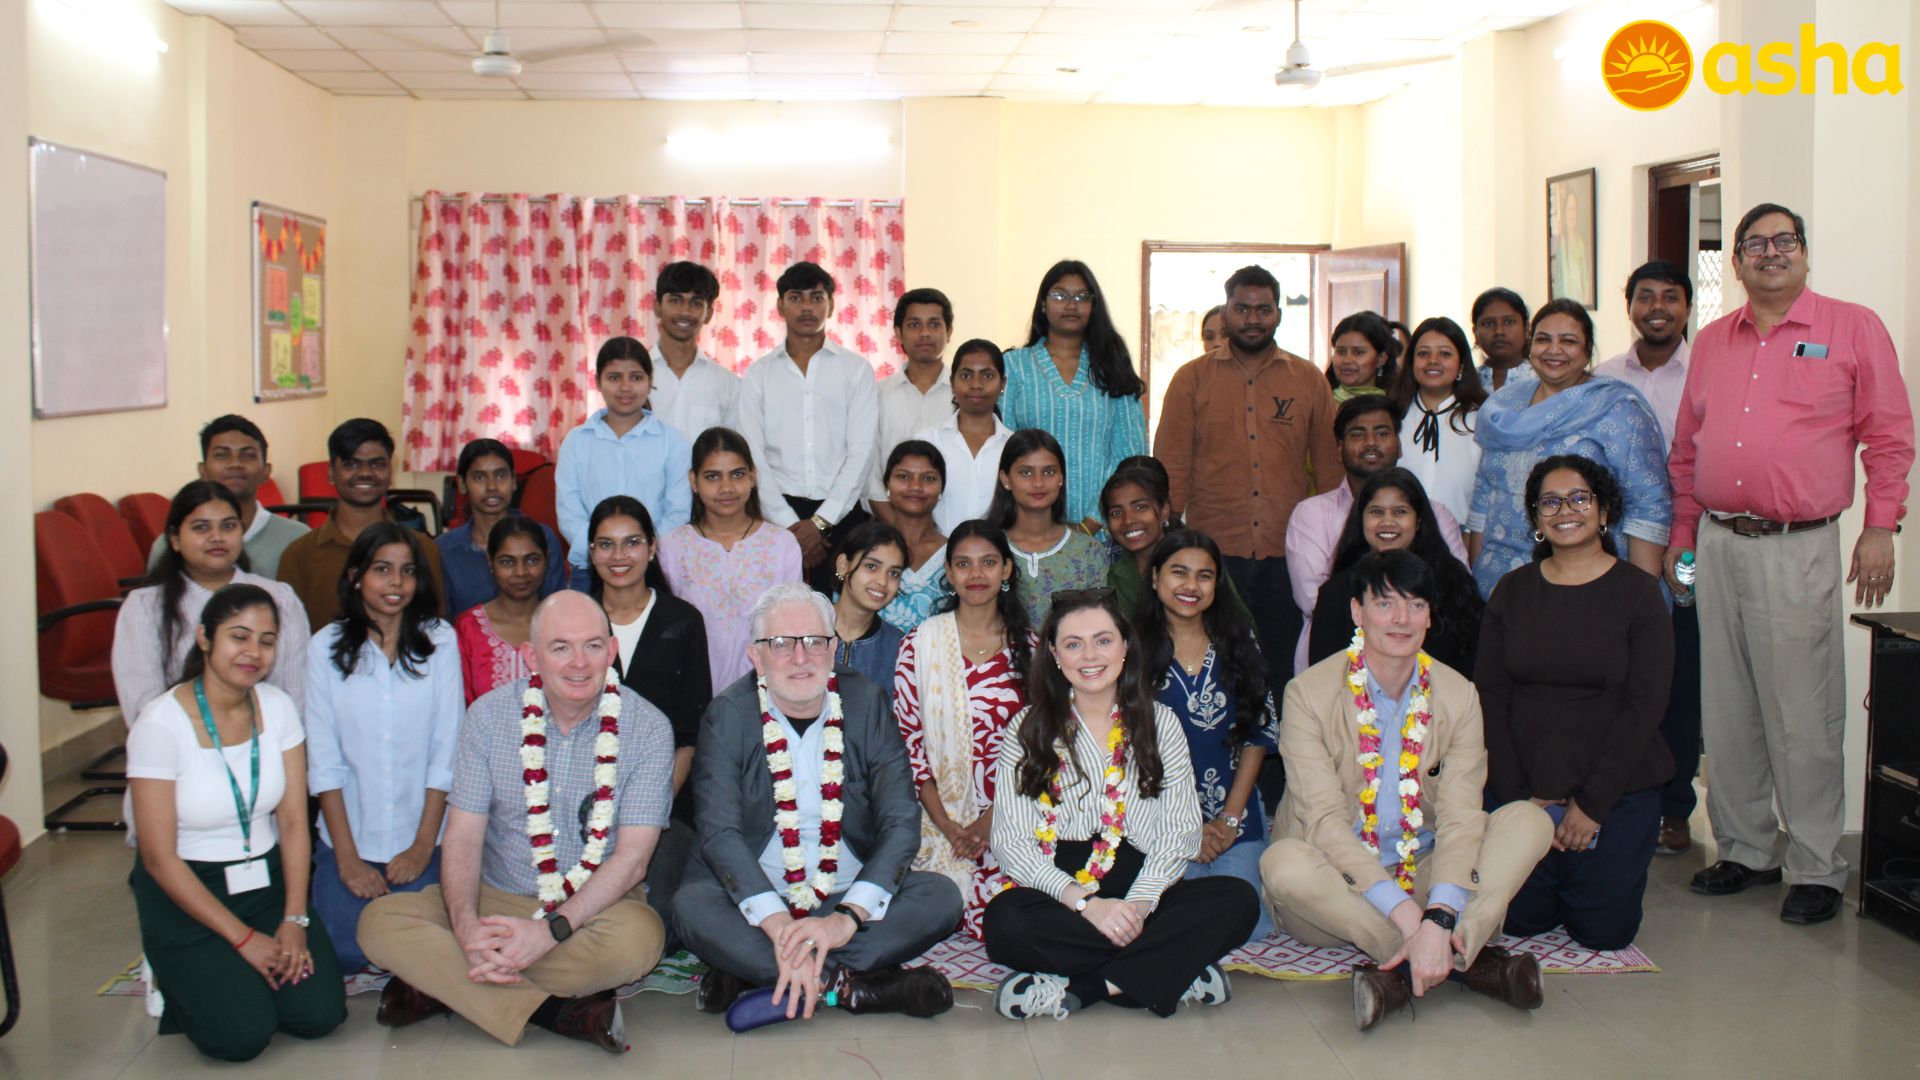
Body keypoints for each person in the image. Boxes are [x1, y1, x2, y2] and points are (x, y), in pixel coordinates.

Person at [1666, 203, 1914, 926]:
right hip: (1717, 541)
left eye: (1785, 241)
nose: (1771, 252)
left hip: (1797, 545)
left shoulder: (1852, 327)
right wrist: (1684, 535)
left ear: (1804, 252)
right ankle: (1746, 850)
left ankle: (1814, 864)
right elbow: (1687, 448)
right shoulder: (1714, 340)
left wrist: (1880, 526)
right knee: (1728, 706)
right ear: (1736, 260)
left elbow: (1890, 436)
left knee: (1804, 712)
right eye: (1755, 243)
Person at [358, 591, 676, 1051]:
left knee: (639, 943)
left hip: (594, 906)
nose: (579, 663)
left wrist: (550, 931)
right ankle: (555, 1012)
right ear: (531, 657)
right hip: (495, 895)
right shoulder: (488, 717)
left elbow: (632, 862)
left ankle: (445, 984)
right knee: (379, 922)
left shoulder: (647, 728)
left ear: (611, 651)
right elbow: (463, 837)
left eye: (592, 646)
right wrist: (466, 926)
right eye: (560, 647)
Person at [1259, 551, 1554, 1031]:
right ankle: (1461, 959)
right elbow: (1324, 823)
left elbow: (1461, 814)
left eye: (1416, 605)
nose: (1402, 619)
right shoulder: (1308, 693)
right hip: (1340, 889)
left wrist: (1439, 910)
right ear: (1357, 611)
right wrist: (1417, 921)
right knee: (1282, 863)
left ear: (1430, 617)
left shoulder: (1458, 694)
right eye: (1385, 604)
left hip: (1424, 871)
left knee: (1529, 820)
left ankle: (1406, 968)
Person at [672, 583, 960, 1026]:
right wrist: (778, 924)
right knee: (692, 906)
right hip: (758, 900)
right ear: (756, 657)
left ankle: (765, 972)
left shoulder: (866, 702)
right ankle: (853, 986)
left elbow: (901, 820)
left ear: (833, 650)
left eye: (814, 641)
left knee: (941, 897)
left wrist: (844, 920)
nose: (800, 657)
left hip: (845, 896)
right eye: (781, 644)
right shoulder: (727, 714)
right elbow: (720, 833)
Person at [984, 589, 1255, 1021]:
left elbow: (1181, 832)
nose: (1090, 656)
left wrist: (1140, 905)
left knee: (1238, 899)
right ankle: (1168, 969)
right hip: (1065, 894)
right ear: (1054, 654)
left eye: (1103, 640)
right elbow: (1011, 842)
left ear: (1125, 646)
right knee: (1005, 922)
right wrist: (1087, 906)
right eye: (1073, 644)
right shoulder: (1027, 728)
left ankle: (1091, 987)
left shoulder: (1161, 723)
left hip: (1144, 887)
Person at [127, 584, 345, 1061]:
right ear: (205, 638)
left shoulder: (278, 707)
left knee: (320, 1014)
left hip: (264, 884)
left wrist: (293, 918)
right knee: (241, 1037)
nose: (253, 653)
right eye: (239, 636)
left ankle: (231, 978)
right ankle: (177, 973)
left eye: (267, 641)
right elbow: (158, 858)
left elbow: (294, 822)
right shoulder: (159, 724)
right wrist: (243, 940)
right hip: (186, 891)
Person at [1479, 456, 1674, 950]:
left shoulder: (1639, 593)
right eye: (1550, 501)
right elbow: (1491, 697)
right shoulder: (1512, 591)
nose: (1565, 510)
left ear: (1604, 512)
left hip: (1615, 791)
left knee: (1602, 932)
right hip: (1525, 788)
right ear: (1536, 518)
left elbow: (1645, 707)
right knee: (1521, 920)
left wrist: (1591, 805)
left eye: (1579, 498)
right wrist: (1520, 803)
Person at [1156, 264, 1340, 693]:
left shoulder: (1308, 379)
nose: (1253, 319)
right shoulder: (1191, 380)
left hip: (1289, 551)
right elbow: (1171, 466)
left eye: (1263, 309)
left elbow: (1331, 469)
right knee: (1216, 666)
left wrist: (1334, 542)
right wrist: (1171, 542)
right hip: (1214, 554)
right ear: (1225, 314)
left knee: (1284, 668)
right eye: (1242, 309)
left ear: (1278, 314)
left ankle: (1281, 741)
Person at [305, 523, 463, 975]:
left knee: (429, 943)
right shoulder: (324, 648)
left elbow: (446, 751)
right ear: (355, 576)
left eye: (407, 571)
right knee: (345, 952)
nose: (396, 582)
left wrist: (421, 848)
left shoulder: (440, 640)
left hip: (423, 834)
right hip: (351, 835)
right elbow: (324, 763)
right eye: (382, 569)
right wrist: (347, 860)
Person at [1466, 299, 1670, 599]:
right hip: (1500, 581)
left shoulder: (1617, 409)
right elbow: (1484, 495)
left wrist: (1640, 596)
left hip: (1587, 581)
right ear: (1530, 346)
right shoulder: (1503, 407)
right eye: (1543, 339)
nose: (1554, 350)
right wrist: (1477, 578)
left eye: (1569, 341)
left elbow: (1647, 506)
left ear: (1587, 351)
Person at [1596, 261, 1699, 855]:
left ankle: (1674, 808)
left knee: (1677, 675)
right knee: (1617, 679)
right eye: (1645, 296)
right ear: (1629, 304)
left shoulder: (1707, 374)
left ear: (1687, 306)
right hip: (1619, 552)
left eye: (1670, 297)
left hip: (1690, 549)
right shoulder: (1604, 379)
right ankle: (1612, 799)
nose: (1657, 307)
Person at [1135, 530, 1279, 944]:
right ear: (1155, 577)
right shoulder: (1129, 650)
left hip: (1234, 816)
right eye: (1179, 572)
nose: (1191, 586)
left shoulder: (1240, 642)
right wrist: (1187, 828)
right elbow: (1123, 751)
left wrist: (1229, 819)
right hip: (1159, 819)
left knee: (1245, 920)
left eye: (1204, 576)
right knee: (1173, 915)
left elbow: (1258, 735)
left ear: (1217, 584)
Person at [892, 520, 1035, 938]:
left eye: (988, 562)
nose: (976, 574)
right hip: (937, 821)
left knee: (1010, 922)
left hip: (1015, 819)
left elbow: (1043, 750)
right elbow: (910, 746)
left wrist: (987, 825)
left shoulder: (1032, 648)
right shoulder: (919, 645)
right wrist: (949, 826)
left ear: (1006, 569)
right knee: (926, 917)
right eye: (964, 564)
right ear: (949, 573)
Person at [586, 495, 713, 928]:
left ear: (653, 548)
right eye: (606, 544)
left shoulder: (683, 621)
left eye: (632, 543)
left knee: (653, 913)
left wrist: (648, 812)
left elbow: (689, 735)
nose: (619, 556)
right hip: (582, 799)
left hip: (665, 803)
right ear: (591, 552)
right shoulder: (575, 619)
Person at [1287, 396, 1468, 671]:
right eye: (1358, 434)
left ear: (1399, 444)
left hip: (1431, 660)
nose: (1370, 443)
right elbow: (1313, 601)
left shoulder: (1438, 514)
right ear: (1339, 449)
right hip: (1339, 658)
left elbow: (1455, 592)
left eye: (1382, 433)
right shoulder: (1311, 514)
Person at [116, 481, 312, 734]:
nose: (216, 537)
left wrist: (261, 742)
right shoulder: (145, 606)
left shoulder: (279, 599)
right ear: (175, 539)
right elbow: (143, 705)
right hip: (178, 746)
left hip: (265, 741)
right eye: (201, 527)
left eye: (228, 526)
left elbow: (295, 694)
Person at [731, 261, 879, 592]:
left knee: (844, 609)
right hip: (775, 515)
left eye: (817, 297)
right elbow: (752, 455)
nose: (807, 307)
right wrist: (790, 526)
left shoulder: (856, 370)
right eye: (796, 298)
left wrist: (821, 522)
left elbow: (862, 451)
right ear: (780, 305)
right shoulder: (759, 374)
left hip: (842, 514)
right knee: (778, 608)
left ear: (831, 304)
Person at [1001, 260, 1148, 532]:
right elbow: (1003, 449)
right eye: (1060, 296)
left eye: (1081, 297)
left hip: (1106, 529)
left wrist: (1092, 522)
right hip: (1030, 527)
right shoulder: (1013, 365)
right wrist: (1040, 525)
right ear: (1043, 304)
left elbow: (1130, 454)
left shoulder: (1112, 366)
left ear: (1094, 306)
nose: (1071, 305)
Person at [659, 427, 805, 692]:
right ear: (693, 481)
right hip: (692, 691)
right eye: (712, 476)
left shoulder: (781, 544)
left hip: (767, 692)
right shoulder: (672, 547)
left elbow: (793, 626)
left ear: (753, 476)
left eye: (737, 474)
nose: (726, 487)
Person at [278, 418, 446, 631]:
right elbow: (288, 638)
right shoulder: (299, 555)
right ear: (331, 472)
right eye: (351, 464)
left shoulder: (423, 549)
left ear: (390, 472)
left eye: (377, 464)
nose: (365, 473)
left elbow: (434, 628)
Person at [1308, 469, 1483, 673]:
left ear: (1418, 520)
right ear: (1361, 519)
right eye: (1376, 512)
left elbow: (1470, 667)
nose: (1387, 522)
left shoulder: (1453, 585)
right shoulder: (1336, 592)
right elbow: (1324, 674)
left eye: (1400, 512)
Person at [556, 337, 694, 590]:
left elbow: (678, 512)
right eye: (614, 377)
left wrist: (641, 550)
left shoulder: (672, 442)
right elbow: (569, 513)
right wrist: (603, 550)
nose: (625, 387)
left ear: (650, 381)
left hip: (654, 567)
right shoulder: (576, 441)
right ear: (598, 381)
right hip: (590, 567)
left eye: (636, 377)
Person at [146, 415, 310, 578]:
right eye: (221, 455)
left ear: (266, 471)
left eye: (248, 455)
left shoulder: (297, 538)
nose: (235, 464)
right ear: (202, 470)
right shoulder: (171, 544)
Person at [1101, 465, 1249, 624]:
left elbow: (1239, 625)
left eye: (1140, 507)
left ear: (1164, 511)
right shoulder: (1116, 575)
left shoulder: (1198, 559)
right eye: (1116, 513)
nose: (1128, 520)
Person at [989, 429, 1107, 626]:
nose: (1038, 483)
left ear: (1061, 477)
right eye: (1026, 472)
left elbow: (1099, 625)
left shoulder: (1089, 551)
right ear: (1006, 479)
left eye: (1049, 472)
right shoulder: (989, 547)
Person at [437, 438, 567, 616]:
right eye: (479, 477)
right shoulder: (445, 549)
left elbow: (556, 610)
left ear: (513, 480)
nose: (491, 487)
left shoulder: (543, 537)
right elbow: (442, 621)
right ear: (462, 484)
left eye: (500, 476)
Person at [1389, 316, 1486, 530]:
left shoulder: (1480, 420)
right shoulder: (1392, 417)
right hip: (1397, 537)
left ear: (1461, 365)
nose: (1433, 361)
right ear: (1411, 362)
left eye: (1445, 354)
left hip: (1461, 539)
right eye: (1423, 353)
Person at [870, 288, 956, 527]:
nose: (925, 333)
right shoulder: (877, 394)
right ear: (898, 332)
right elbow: (869, 471)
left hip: (954, 523)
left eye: (934, 324)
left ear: (949, 332)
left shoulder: (965, 395)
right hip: (888, 524)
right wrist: (898, 527)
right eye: (914, 325)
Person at [915, 338, 1013, 535]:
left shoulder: (1013, 446)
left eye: (987, 375)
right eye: (966, 375)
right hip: (938, 552)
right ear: (952, 383)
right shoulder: (928, 440)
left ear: (1002, 384)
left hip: (998, 552)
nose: (976, 384)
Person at [453, 517, 547, 705]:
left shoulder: (565, 624)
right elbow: (459, 705)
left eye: (531, 560)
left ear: (546, 559)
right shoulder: (469, 628)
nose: (521, 572)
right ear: (490, 563)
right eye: (507, 562)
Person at [648, 261, 740, 444]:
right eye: (676, 300)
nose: (685, 311)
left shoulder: (729, 385)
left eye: (696, 303)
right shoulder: (633, 378)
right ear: (657, 307)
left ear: (709, 314)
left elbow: (734, 450)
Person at [876, 440, 951, 633]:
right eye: (903, 477)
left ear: (941, 488)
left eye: (928, 478)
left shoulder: (955, 555)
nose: (915, 486)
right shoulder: (866, 550)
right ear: (887, 485)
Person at [828, 521, 908, 688]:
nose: (882, 581)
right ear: (843, 565)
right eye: (871, 566)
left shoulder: (900, 647)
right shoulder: (803, 630)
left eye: (894, 573)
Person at [1326, 311, 1403, 403]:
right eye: (1341, 351)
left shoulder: (1396, 406)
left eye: (1358, 352)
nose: (1347, 360)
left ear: (1381, 359)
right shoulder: (1319, 401)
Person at [1471, 287, 1535, 392]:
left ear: (1526, 328)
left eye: (1509, 322)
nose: (1499, 331)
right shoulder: (1466, 383)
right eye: (1488, 324)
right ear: (1475, 333)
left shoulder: (1543, 380)